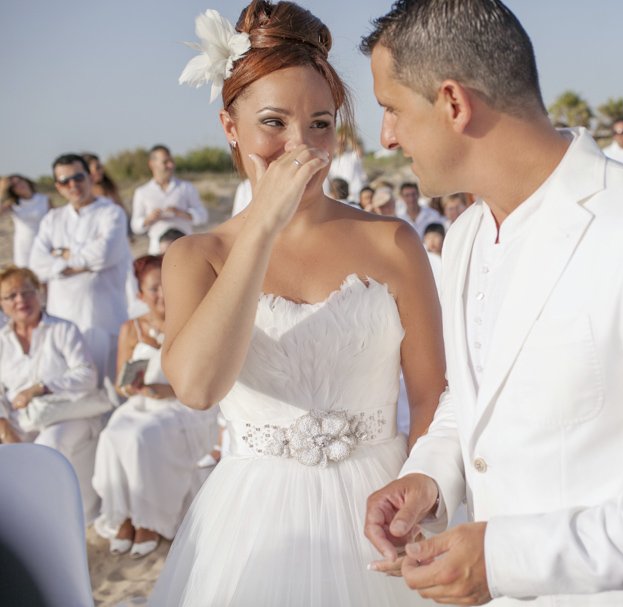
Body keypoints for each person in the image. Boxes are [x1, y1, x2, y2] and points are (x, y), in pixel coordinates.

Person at [361, 1, 623, 604]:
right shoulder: (468, 235)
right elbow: (478, 394)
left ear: (453, 103)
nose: (386, 137)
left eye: (391, 109)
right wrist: (431, 473)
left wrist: (506, 559)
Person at [150, 2, 444, 605]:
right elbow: (200, 388)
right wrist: (259, 228)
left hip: (382, 504)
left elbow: (429, 395)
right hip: (256, 520)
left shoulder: (392, 242)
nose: (300, 145)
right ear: (230, 128)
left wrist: (424, 491)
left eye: (319, 123)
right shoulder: (195, 256)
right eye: (274, 123)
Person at [93, 255, 217, 559]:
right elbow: (120, 383)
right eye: (153, 289)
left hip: (183, 405)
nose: (162, 294)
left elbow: (207, 378)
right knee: (111, 437)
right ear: (140, 295)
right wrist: (132, 386)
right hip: (140, 404)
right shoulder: (131, 328)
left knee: (139, 438)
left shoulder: (194, 318)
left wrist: (168, 390)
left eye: (166, 286)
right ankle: (123, 514)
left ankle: (150, 520)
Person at [0, 266, 105, 522]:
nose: (20, 300)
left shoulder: (63, 329)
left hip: (67, 414)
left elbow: (86, 375)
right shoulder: (1, 341)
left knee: (49, 448)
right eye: (11, 296)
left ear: (40, 293)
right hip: (19, 420)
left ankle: (60, 521)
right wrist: (5, 429)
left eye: (27, 292)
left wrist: (39, 387)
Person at [29, 154, 132, 385]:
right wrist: (82, 261)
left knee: (111, 391)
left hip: (105, 319)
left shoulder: (111, 213)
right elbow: (36, 266)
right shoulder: (52, 220)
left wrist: (60, 255)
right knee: (73, 387)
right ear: (58, 186)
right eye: (65, 181)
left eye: (78, 177)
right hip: (63, 320)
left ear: (90, 177)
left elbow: (104, 254)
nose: (73, 185)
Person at [130, 145, 209, 255]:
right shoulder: (142, 192)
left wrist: (181, 213)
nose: (170, 165)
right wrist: (149, 219)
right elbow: (135, 226)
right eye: (165, 162)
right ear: (152, 164)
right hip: (157, 252)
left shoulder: (186, 187)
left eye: (171, 161)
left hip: (186, 249)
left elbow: (203, 216)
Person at [0, 175, 49, 268]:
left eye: (20, 181)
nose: (19, 185)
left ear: (26, 181)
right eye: (15, 185)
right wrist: (2, 192)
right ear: (12, 190)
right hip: (24, 244)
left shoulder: (44, 199)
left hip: (44, 241)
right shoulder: (14, 203)